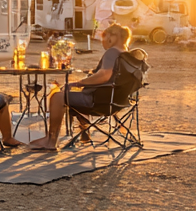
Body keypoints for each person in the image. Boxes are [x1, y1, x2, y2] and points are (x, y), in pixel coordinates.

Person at [24, 23, 130, 151]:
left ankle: (51, 140)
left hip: (100, 101)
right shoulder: (128, 54)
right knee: (69, 90)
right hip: (117, 100)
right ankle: (84, 132)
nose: (102, 42)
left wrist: (81, 83)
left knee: (58, 96)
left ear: (112, 38)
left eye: (103, 37)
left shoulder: (113, 52)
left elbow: (104, 75)